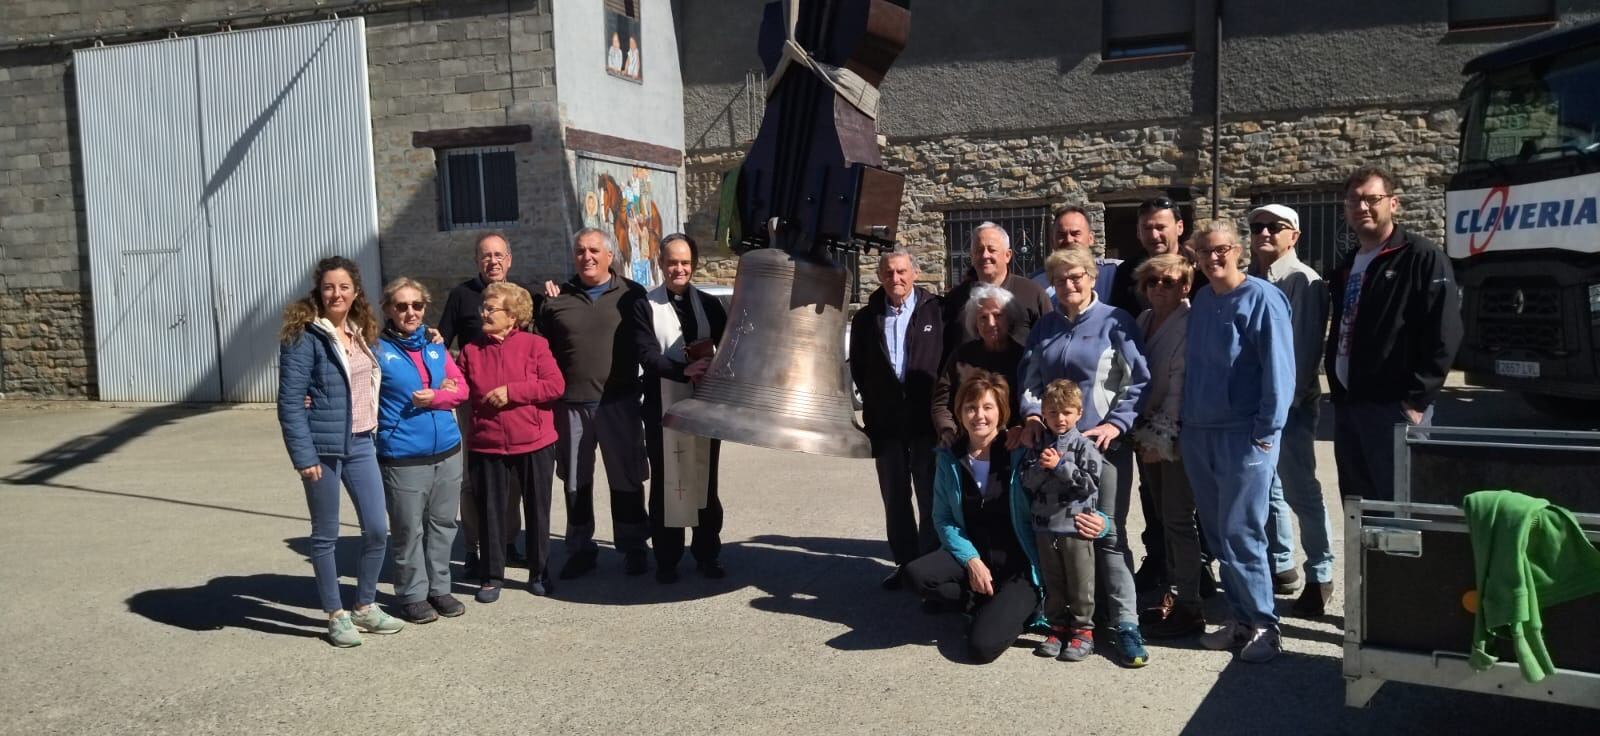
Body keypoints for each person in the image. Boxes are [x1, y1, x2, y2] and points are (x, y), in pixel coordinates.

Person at [1019, 247, 1151, 668]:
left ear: (1093, 277)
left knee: (1107, 535)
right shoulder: (1045, 327)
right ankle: (1068, 623)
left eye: (1077, 277)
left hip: (1102, 447)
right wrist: (1033, 414)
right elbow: (1029, 381)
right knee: (1059, 535)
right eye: (1060, 280)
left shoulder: (1116, 321)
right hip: (1053, 449)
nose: (1069, 286)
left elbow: (1138, 381)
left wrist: (1117, 423)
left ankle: (1125, 626)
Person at [1180, 221, 1295, 663]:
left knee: (1243, 531)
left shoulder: (1263, 299)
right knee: (1217, 533)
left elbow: (1279, 372)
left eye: (1222, 249)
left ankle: (1266, 625)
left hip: (1244, 436)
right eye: (1205, 252)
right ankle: (1240, 619)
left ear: (1239, 251)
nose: (1214, 258)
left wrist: (1266, 436)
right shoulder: (1204, 300)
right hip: (1200, 433)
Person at [276, 256, 404, 647]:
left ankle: (364, 605)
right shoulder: (305, 336)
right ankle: (335, 615)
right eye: (330, 286)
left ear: (355, 291)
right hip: (324, 449)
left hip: (363, 442)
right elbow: (290, 402)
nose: (337, 293)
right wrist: (304, 456)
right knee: (326, 534)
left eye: (344, 286)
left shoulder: (359, 330)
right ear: (319, 290)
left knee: (378, 529)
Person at [1327, 165, 1462, 502]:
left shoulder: (1421, 257)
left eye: (1372, 199)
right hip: (1349, 408)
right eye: (1354, 200)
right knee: (1359, 511)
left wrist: (1416, 401)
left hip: (1394, 409)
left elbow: (1444, 332)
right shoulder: (1347, 265)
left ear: (1393, 203)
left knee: (1400, 509)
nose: (1362, 207)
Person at [537, 227, 652, 579]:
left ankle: (634, 547)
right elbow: (540, 351)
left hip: (619, 402)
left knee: (627, 479)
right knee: (575, 481)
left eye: (593, 251)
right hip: (570, 405)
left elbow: (649, 340)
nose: (586, 257)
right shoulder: (556, 299)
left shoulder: (632, 294)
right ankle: (580, 549)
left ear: (609, 256)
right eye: (579, 251)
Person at [903, 373, 1040, 664]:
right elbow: (943, 518)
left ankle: (1016, 606)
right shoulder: (948, 457)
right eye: (971, 408)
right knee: (916, 576)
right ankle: (983, 600)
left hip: (1017, 566)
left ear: (1001, 411)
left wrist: (1099, 520)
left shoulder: (1019, 453)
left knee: (981, 648)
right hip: (974, 555)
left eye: (988, 407)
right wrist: (972, 561)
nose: (979, 415)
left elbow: (1054, 497)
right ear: (960, 414)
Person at [1248, 204, 1337, 617]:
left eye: (1274, 227)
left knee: (1301, 490)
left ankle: (1320, 573)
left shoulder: (1304, 281)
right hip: (1260, 403)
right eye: (1257, 227)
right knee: (1269, 490)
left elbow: (1304, 350)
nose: (1264, 233)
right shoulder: (1253, 280)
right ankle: (1281, 565)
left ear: (1293, 236)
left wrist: (1284, 405)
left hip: (1292, 405)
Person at [456, 282, 565, 602]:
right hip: (486, 443)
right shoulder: (470, 350)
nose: (483, 313)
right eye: (483, 308)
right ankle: (491, 576)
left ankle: (539, 571)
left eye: (491, 309)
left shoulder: (536, 345)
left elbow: (555, 386)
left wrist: (513, 392)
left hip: (534, 441)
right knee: (490, 510)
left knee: (537, 509)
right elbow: (458, 388)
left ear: (513, 315)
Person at [632, 234, 730, 583]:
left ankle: (707, 554)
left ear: (694, 264)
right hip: (663, 406)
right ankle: (668, 559)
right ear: (661, 263)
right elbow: (645, 354)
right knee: (667, 483)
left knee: (705, 480)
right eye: (672, 262)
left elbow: (729, 347)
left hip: (704, 408)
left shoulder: (708, 303)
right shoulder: (645, 305)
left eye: (685, 262)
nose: (679, 268)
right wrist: (681, 370)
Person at [374, 277, 470, 624]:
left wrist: (439, 396)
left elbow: (462, 388)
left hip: (447, 448)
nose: (410, 312)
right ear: (388, 309)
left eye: (417, 305)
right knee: (408, 529)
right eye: (401, 306)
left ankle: (439, 588)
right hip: (402, 454)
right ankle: (412, 594)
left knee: (443, 523)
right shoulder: (376, 351)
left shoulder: (434, 345)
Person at [849, 248, 944, 589]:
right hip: (886, 425)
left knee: (931, 496)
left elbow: (946, 364)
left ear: (914, 274)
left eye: (902, 272)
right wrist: (876, 401)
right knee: (895, 496)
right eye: (889, 273)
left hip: (925, 424)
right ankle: (905, 563)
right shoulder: (866, 317)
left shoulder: (936, 311)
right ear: (880, 276)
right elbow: (858, 367)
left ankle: (931, 567)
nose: (896, 279)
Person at [1127, 254, 1208, 639]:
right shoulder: (1143, 321)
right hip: (1146, 432)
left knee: (1178, 519)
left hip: (1174, 435)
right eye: (1153, 281)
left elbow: (1180, 386)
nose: (1160, 287)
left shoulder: (1190, 324)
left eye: (1170, 281)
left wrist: (1161, 439)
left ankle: (1189, 603)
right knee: (1161, 517)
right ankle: (1173, 595)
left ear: (1186, 286)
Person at [438, 232, 524, 575]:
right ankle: (473, 548)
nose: (493, 261)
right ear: (477, 260)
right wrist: (444, 377)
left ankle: (507, 543)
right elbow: (441, 341)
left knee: (512, 479)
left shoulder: (519, 297)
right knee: (472, 479)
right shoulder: (462, 296)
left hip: (513, 402)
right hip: (472, 404)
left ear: (509, 259)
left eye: (499, 255)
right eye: (486, 255)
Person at [1021, 379, 1103, 662]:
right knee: (1054, 581)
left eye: (1067, 412)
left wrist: (1060, 466)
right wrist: (1044, 467)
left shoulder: (1085, 447)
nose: (1060, 418)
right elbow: (1027, 482)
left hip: (1075, 528)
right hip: (1045, 527)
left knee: (1080, 583)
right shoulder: (1038, 447)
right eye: (1053, 412)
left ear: (1079, 413)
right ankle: (1056, 627)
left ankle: (1083, 631)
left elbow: (1090, 485)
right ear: (1043, 413)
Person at [930, 283, 1025, 449]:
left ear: (1009, 318)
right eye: (983, 317)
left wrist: (1021, 427)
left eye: (998, 315)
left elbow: (1033, 402)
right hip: (966, 444)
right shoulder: (962, 356)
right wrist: (947, 430)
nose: (990, 323)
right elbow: (941, 402)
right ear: (975, 323)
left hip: (1012, 445)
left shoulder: (1023, 357)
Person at [941, 222, 1052, 359]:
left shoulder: (1032, 294)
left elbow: (1050, 344)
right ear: (972, 256)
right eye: (979, 250)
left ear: (1008, 255)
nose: (985, 255)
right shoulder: (956, 299)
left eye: (991, 250)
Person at [1109, 197, 1185, 317]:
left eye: (1161, 227)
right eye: (1147, 228)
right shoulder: (1126, 272)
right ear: (1138, 232)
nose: (1154, 236)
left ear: (1179, 227)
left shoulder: (1198, 268)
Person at [1032, 205, 1118, 304]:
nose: (1068, 240)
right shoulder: (1037, 283)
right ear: (1052, 240)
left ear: (1091, 238)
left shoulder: (1113, 273)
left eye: (1075, 233)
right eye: (1061, 235)